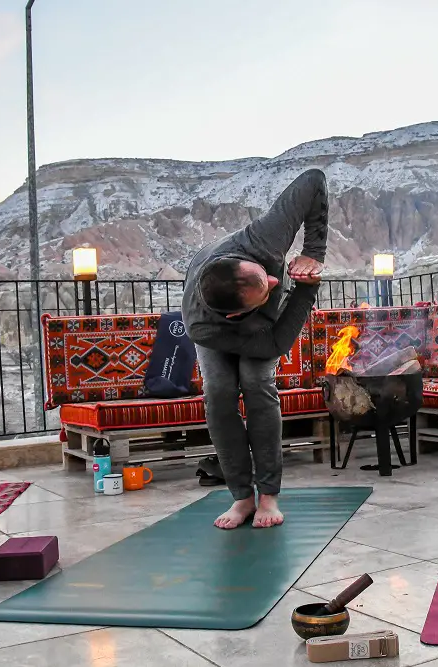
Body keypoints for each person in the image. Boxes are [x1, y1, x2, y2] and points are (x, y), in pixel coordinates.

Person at [181, 169, 329, 529]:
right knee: (219, 393)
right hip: (222, 332)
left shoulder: (262, 241)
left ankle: (269, 495)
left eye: (265, 275)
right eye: (267, 289)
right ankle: (242, 498)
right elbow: (273, 343)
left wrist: (312, 258)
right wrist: (302, 292)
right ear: (238, 311)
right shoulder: (203, 325)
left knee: (257, 383)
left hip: (257, 322)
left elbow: (313, 180)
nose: (277, 282)